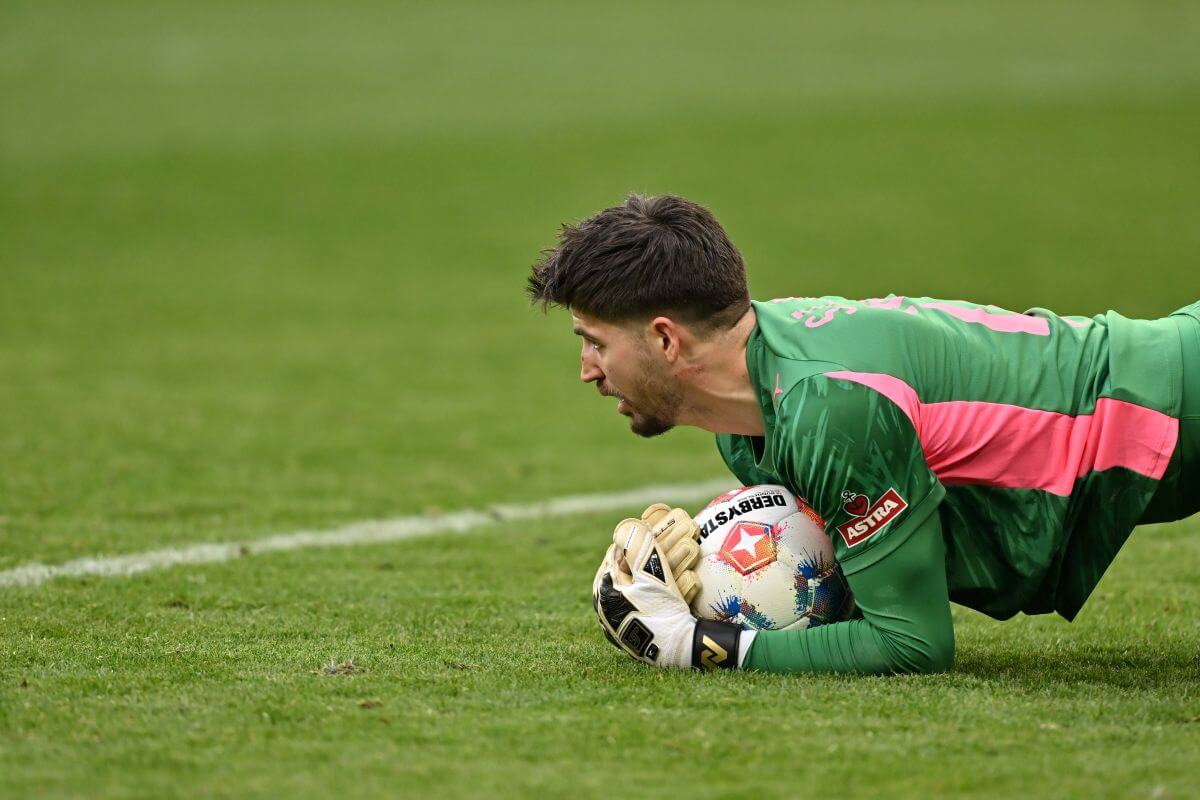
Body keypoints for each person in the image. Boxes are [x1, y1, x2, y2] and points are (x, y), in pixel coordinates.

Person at [526, 193, 1200, 674]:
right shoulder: (749, 419)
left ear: (666, 339)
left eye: (595, 344)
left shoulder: (828, 413)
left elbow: (913, 644)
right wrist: (713, 562)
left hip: (1178, 400)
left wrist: (697, 644)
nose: (587, 370)